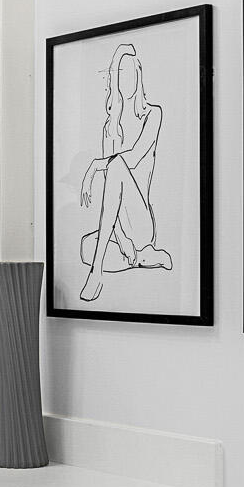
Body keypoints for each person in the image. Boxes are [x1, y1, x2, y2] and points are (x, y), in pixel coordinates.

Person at [79, 42, 171, 301]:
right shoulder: (110, 128)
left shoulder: (153, 114)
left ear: (138, 75)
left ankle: (97, 272)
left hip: (141, 222)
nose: (126, 79)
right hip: (120, 225)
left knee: (117, 163)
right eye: (120, 73)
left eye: (130, 72)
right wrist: (120, 238)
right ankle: (142, 257)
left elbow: (132, 158)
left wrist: (96, 164)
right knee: (86, 245)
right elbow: (111, 194)